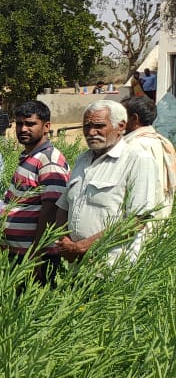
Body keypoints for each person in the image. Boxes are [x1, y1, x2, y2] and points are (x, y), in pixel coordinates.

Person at [55, 100, 158, 265]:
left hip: (111, 268)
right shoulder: (83, 158)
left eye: (99, 126)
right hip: (75, 264)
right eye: (86, 126)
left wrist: (82, 247)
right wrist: (64, 241)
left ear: (121, 126)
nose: (91, 132)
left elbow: (137, 220)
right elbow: (64, 206)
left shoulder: (137, 160)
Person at [0, 101, 70, 280]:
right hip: (18, 253)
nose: (23, 129)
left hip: (36, 257)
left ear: (46, 127)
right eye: (19, 123)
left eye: (30, 124)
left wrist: (37, 253)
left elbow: (52, 208)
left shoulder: (49, 159)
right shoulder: (30, 156)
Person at [123, 95, 175, 221]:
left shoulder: (133, 146)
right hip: (159, 215)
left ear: (134, 119)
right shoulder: (162, 141)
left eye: (120, 115)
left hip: (135, 223)